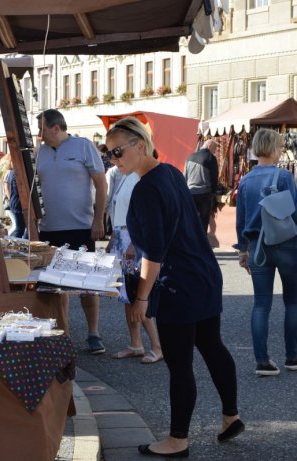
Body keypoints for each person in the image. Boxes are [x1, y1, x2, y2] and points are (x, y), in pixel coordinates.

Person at [106, 117, 243, 458]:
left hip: (178, 283)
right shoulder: (168, 172)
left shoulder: (147, 188)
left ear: (140, 144)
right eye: (109, 153)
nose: (114, 159)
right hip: (203, 274)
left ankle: (177, 440)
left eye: (118, 151)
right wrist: (138, 244)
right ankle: (231, 415)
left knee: (180, 364)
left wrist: (141, 297)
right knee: (212, 345)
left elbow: (155, 253)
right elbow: (170, 227)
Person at [236, 129, 297, 376]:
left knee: (261, 304)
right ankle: (291, 356)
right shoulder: (283, 176)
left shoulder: (244, 181)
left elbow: (241, 221)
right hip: (285, 243)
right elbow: (295, 208)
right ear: (274, 149)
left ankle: (262, 361)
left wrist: (243, 250)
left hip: (257, 245)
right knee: (292, 300)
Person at [36, 109, 108, 354]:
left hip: (80, 226)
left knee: (87, 283)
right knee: (56, 285)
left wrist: (98, 220)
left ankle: (93, 333)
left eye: (42, 129)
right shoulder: (40, 152)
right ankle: (63, 332)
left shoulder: (83, 146)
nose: (40, 135)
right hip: (48, 228)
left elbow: (101, 183)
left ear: (56, 128)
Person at [105, 164, 163, 364]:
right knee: (127, 295)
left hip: (132, 240)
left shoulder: (139, 178)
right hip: (123, 237)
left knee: (139, 294)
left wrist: (132, 244)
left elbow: (142, 216)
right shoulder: (126, 175)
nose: (115, 158)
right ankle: (136, 343)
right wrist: (113, 238)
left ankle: (156, 346)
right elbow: (120, 211)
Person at [184, 139, 219, 232]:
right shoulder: (211, 158)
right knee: (203, 222)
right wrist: (214, 193)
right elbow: (214, 178)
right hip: (204, 194)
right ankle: (201, 244)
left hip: (190, 193)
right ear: (209, 146)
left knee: (191, 221)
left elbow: (185, 176)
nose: (215, 151)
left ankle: (191, 243)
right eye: (214, 149)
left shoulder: (190, 157)